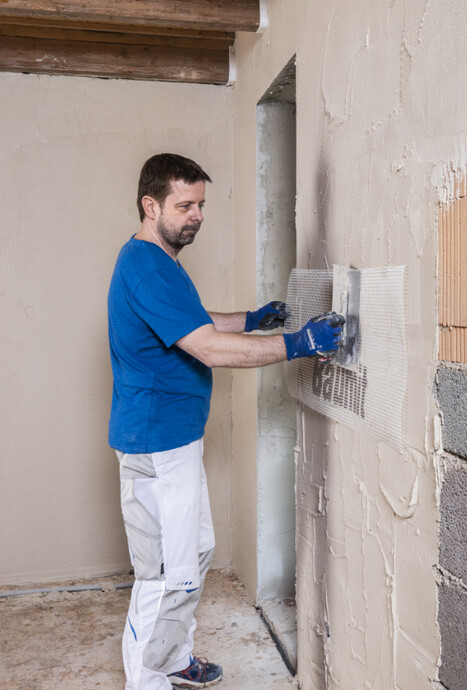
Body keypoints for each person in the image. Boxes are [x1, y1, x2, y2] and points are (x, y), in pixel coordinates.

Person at [107, 153, 344, 689]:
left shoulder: (160, 265)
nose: (198, 216)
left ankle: (172, 658)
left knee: (192, 554)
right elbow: (209, 348)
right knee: (168, 574)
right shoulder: (145, 265)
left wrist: (254, 319)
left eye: (202, 205)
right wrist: (294, 344)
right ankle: (147, 682)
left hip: (173, 440)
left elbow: (199, 322)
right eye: (185, 205)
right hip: (157, 443)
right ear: (151, 206)